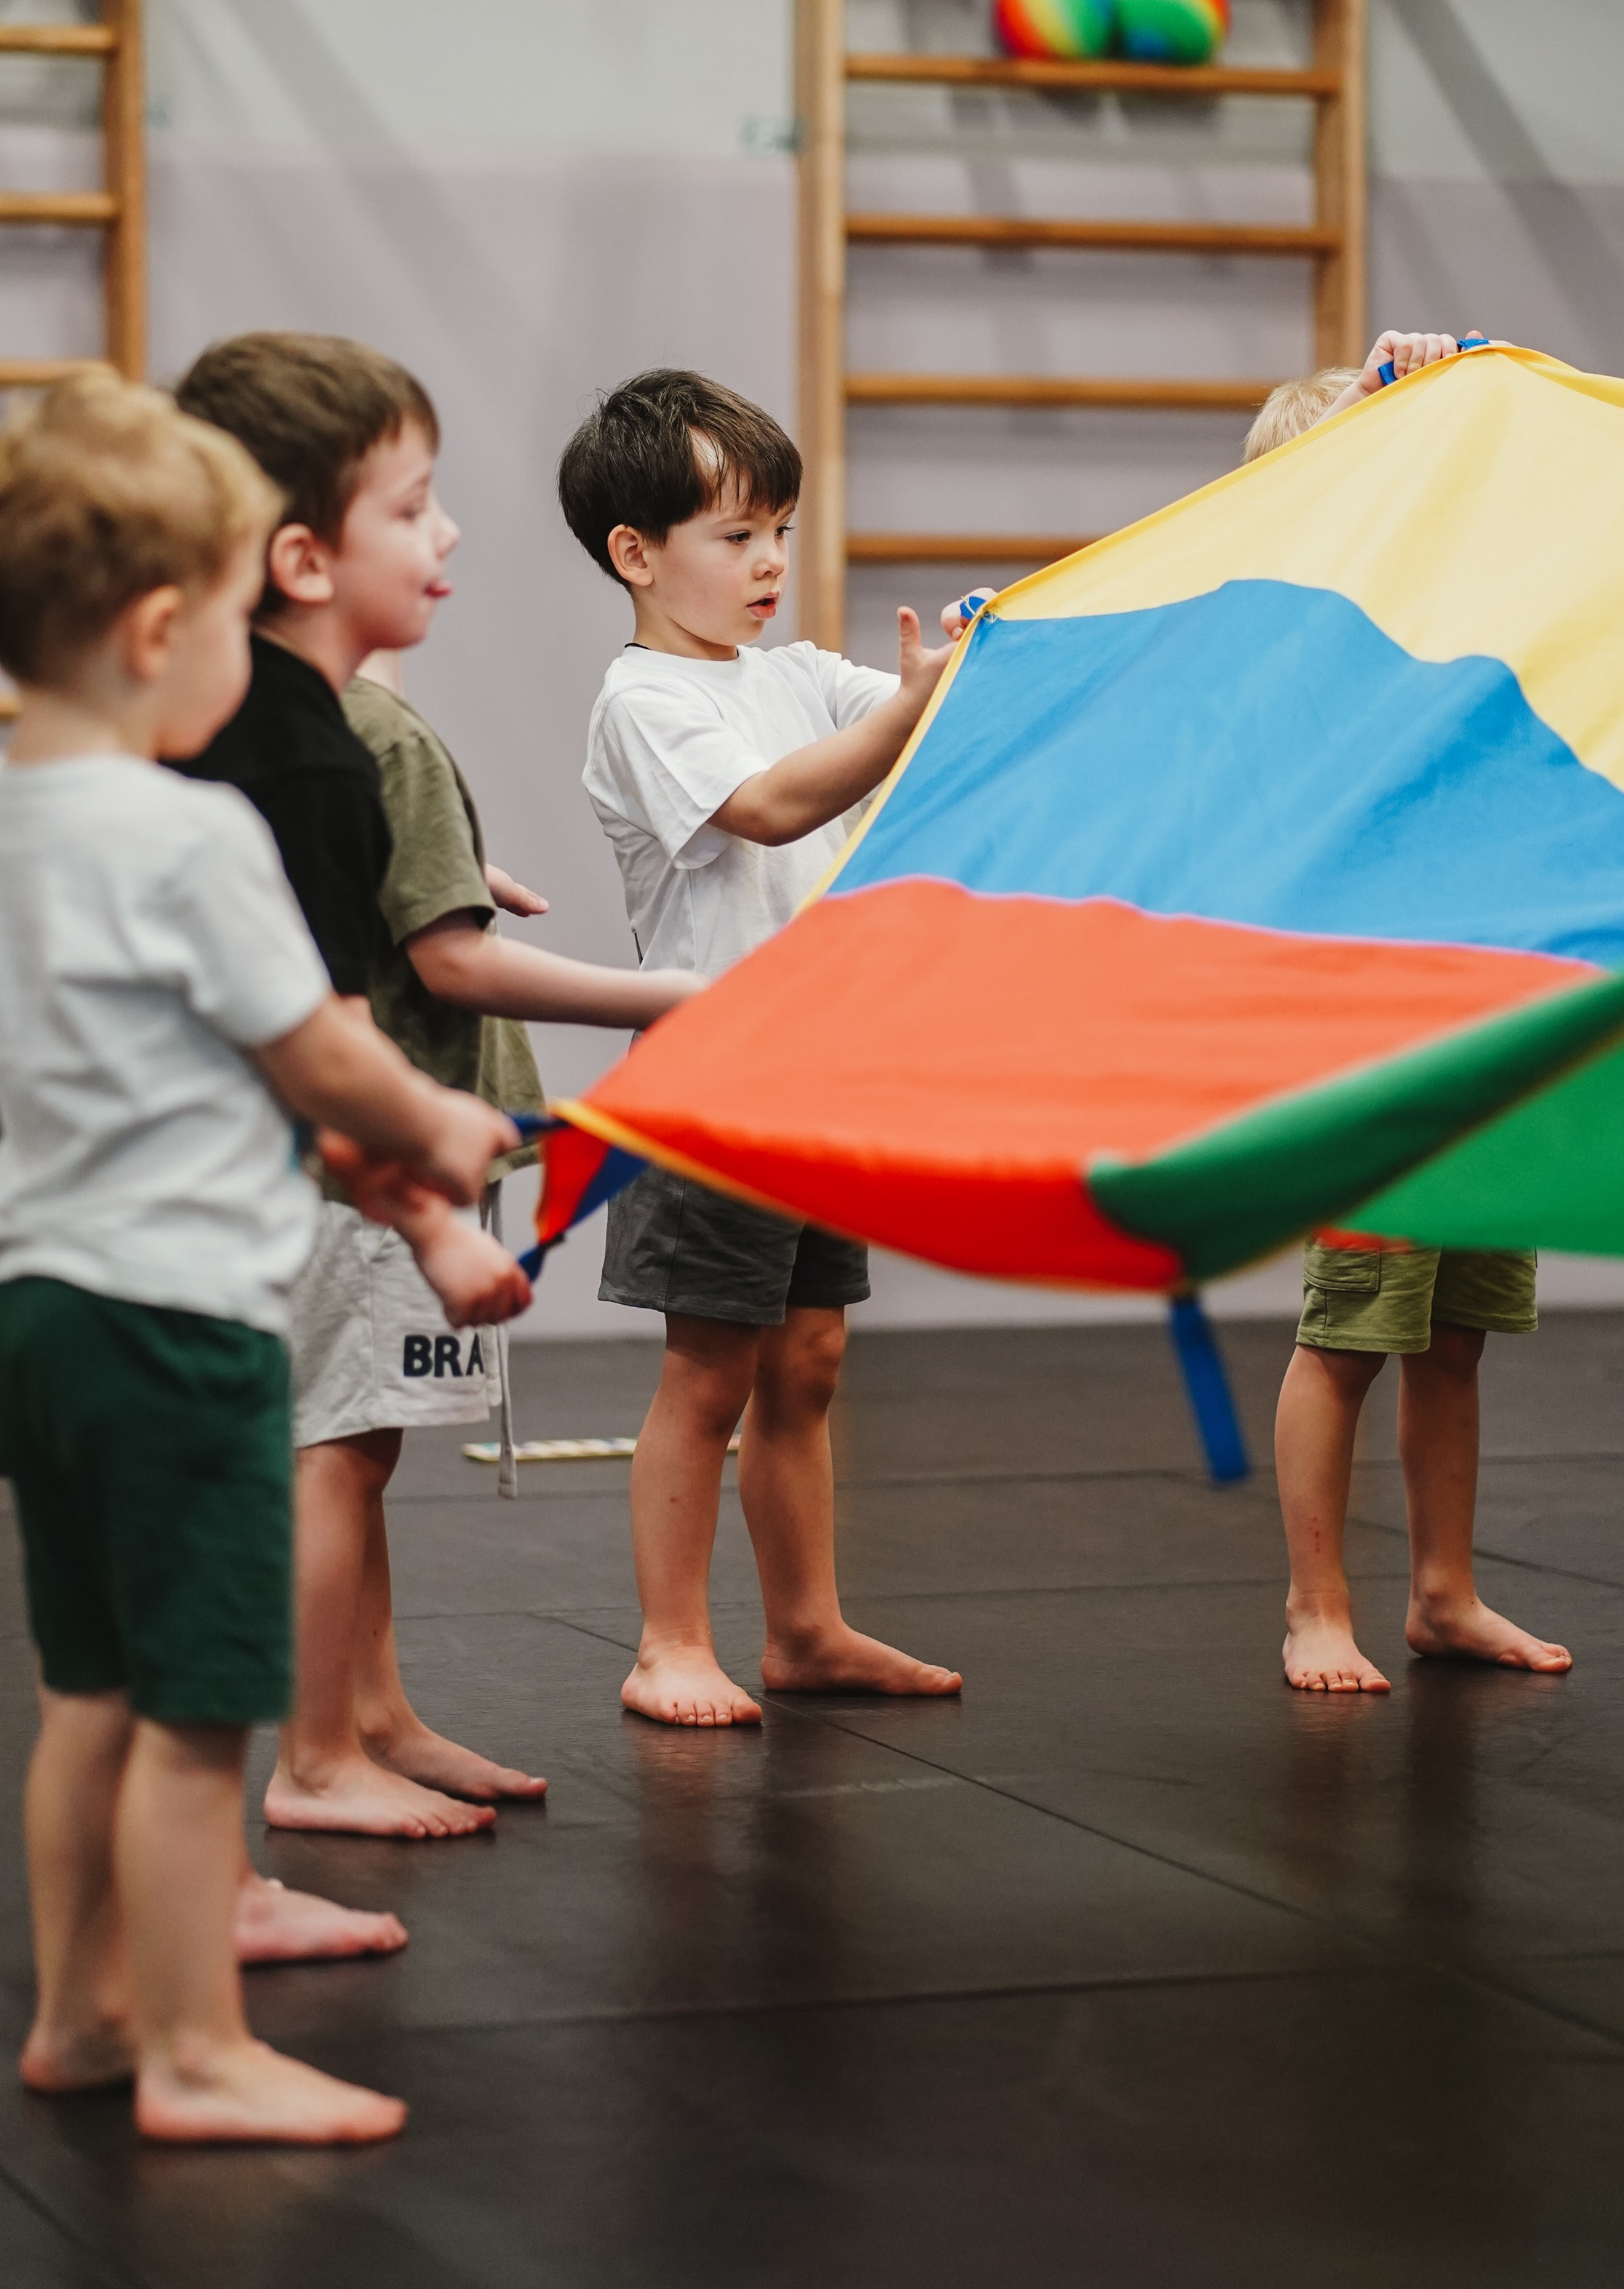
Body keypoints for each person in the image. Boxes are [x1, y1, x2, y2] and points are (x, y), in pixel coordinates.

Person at [0, 373, 524, 2144]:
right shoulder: (194, 831)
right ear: (162, 631)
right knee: (194, 1713)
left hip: (39, 1313)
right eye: (235, 618)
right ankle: (197, 2049)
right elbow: (321, 1054)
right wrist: (444, 1129)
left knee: (88, 1688)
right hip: (182, 1325)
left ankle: (81, 2013)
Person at [175, 332, 691, 1837]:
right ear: (301, 557)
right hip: (293, 1181)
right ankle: (315, 1755)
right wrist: (432, 1202)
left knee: (348, 1442)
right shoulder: (323, 746)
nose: (449, 534)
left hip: (271, 1175)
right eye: (411, 508)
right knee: (328, 1455)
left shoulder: (283, 724)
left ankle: (367, 1718)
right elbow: (346, 1025)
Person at [559, 367, 967, 1728]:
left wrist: (987, 650)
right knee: (710, 1369)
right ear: (637, 554)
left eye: (780, 531)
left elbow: (926, 713)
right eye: (737, 535)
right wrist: (907, 708)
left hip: (815, 1079)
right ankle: (668, 1642)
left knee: (809, 1360)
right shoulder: (644, 702)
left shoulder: (795, 674)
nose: (771, 563)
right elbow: (777, 805)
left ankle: (806, 1630)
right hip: (715, 1083)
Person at [1248, 331, 1572, 1695]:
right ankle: (1314, 1605)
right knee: (1351, 1333)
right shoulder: (1304, 649)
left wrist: (1449, 389)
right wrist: (1376, 412)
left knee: (1456, 1334)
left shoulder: (1456, 626)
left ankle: (1445, 1593)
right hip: (1368, 1043)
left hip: (1481, 1023)